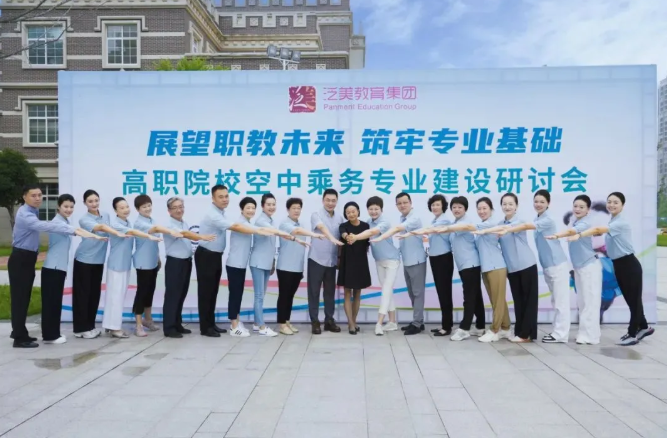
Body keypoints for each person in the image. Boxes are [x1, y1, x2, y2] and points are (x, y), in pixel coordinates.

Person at [9, 185, 99, 348]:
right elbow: (44, 226)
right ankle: (23, 338)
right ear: (24, 197)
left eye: (39, 195)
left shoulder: (34, 212)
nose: (37, 198)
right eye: (33, 195)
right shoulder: (26, 214)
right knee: (21, 299)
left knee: (26, 298)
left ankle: (20, 332)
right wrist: (75, 230)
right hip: (23, 258)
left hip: (29, 258)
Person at [573, 192, 654, 346]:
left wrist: (580, 234)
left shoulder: (620, 223)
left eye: (615, 202)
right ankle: (644, 327)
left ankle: (632, 334)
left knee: (634, 300)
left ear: (622, 205)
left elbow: (598, 229)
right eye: (609, 202)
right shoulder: (613, 220)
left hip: (629, 264)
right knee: (631, 299)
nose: (611, 205)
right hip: (619, 264)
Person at [195, 185, 269, 338]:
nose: (224, 199)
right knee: (206, 292)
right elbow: (235, 226)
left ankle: (210, 324)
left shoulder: (221, 213)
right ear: (213, 198)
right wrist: (259, 230)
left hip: (215, 255)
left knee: (212, 292)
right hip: (206, 255)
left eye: (226, 196)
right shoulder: (213, 215)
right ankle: (205, 328)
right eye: (220, 197)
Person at [410, 196, 486, 341]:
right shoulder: (452, 221)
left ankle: (462, 328)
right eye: (454, 207)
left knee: (468, 296)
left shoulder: (452, 222)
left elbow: (437, 230)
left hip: (466, 262)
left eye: (460, 207)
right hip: (463, 263)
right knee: (475, 295)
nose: (456, 209)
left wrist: (413, 232)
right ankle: (480, 326)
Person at [500, 190, 571, 343]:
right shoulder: (536, 218)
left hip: (551, 263)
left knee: (558, 302)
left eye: (542, 202)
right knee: (551, 301)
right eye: (536, 201)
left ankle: (558, 334)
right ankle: (525, 332)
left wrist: (506, 229)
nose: (538, 204)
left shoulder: (543, 220)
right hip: (541, 265)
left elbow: (525, 226)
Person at [41, 194, 106, 345]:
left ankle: (53, 333)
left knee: (55, 302)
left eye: (71, 207)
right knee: (51, 303)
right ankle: (50, 336)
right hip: (53, 267)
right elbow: (77, 231)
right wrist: (96, 237)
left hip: (59, 267)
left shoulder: (64, 220)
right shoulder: (58, 223)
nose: (69, 209)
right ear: (58, 207)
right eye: (66, 206)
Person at [476, 193, 538, 343]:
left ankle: (526, 334)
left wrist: (499, 229)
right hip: (512, 269)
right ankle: (519, 332)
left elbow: (518, 227)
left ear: (516, 206)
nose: (507, 207)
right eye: (504, 204)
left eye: (510, 204)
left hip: (526, 264)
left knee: (529, 301)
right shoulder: (500, 223)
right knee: (518, 302)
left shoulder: (519, 221)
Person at [102, 197, 162, 339]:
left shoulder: (127, 221)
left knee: (118, 296)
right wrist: (149, 236)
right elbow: (134, 232)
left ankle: (111, 325)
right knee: (115, 297)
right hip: (117, 264)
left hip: (125, 263)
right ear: (115, 210)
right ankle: (116, 327)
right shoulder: (116, 224)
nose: (125, 210)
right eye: (121, 208)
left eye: (126, 207)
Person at [546, 195, 602, 345]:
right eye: (575, 206)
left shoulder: (586, 223)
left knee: (590, 302)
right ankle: (585, 333)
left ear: (588, 210)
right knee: (583, 302)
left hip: (589, 266)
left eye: (581, 207)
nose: (577, 209)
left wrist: (557, 235)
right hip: (580, 267)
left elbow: (572, 232)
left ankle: (590, 336)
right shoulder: (575, 221)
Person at [72, 189, 126, 340]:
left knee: (94, 295)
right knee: (82, 295)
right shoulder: (84, 219)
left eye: (96, 200)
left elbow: (110, 227)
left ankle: (90, 326)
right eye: (90, 201)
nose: (94, 204)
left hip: (98, 261)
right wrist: (116, 232)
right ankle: (80, 328)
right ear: (85, 203)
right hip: (84, 260)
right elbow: (101, 228)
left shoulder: (106, 215)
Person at [372, 192, 427, 336]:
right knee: (412, 293)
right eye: (399, 203)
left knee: (417, 293)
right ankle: (418, 321)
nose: (402, 205)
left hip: (416, 260)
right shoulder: (403, 218)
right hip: (407, 261)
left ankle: (417, 323)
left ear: (410, 203)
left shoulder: (414, 218)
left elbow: (396, 229)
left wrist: (381, 237)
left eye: (405, 202)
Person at [225, 197, 280, 337]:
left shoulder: (248, 223)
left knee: (238, 295)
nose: (251, 210)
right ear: (241, 209)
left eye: (252, 208)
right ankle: (234, 327)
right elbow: (260, 230)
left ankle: (238, 322)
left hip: (241, 264)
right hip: (235, 263)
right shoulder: (242, 224)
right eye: (248, 208)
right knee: (236, 295)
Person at [345, 196, 400, 336]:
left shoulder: (384, 222)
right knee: (387, 290)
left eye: (376, 209)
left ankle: (379, 323)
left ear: (381, 209)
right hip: (379, 260)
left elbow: (372, 232)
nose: (373, 211)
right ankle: (392, 322)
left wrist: (355, 237)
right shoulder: (368, 222)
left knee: (386, 290)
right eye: (371, 209)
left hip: (392, 260)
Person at [401, 195, 454, 337]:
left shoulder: (444, 220)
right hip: (435, 258)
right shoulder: (434, 220)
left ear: (443, 206)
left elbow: (428, 231)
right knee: (441, 292)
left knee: (445, 293)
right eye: (433, 205)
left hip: (443, 258)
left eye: (438, 205)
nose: (435, 207)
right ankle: (443, 324)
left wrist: (412, 233)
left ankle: (446, 326)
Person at [162, 197, 215, 338]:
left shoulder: (183, 222)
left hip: (185, 262)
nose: (179, 210)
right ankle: (169, 328)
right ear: (169, 211)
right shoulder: (169, 224)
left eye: (181, 206)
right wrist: (201, 237)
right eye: (175, 208)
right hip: (175, 263)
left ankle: (177, 324)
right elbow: (184, 234)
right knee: (173, 296)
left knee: (181, 294)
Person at [132, 194, 184, 337]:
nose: (147, 208)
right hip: (143, 263)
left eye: (149, 205)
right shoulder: (139, 223)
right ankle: (138, 325)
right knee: (142, 293)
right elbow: (155, 229)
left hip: (153, 262)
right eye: (144, 207)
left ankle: (148, 320)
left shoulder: (152, 219)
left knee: (150, 291)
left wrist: (158, 259)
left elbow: (153, 242)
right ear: (137, 209)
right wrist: (171, 231)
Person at [275, 198, 318, 335]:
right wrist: (314, 234)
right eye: (293, 208)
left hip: (297, 267)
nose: (296, 210)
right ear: (288, 209)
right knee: (284, 296)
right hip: (285, 267)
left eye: (299, 208)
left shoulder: (301, 224)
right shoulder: (285, 224)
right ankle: (282, 324)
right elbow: (297, 231)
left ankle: (287, 321)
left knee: (290, 296)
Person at [307, 188, 344, 335]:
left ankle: (329, 320)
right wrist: (332, 238)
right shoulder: (316, 214)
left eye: (333, 200)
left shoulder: (340, 218)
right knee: (314, 292)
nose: (330, 203)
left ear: (336, 201)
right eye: (328, 200)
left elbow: (342, 237)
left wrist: (340, 258)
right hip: (316, 259)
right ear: (323, 200)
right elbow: (322, 228)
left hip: (331, 261)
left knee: (330, 292)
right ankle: (315, 322)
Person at [337, 202, 371, 335]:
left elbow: (367, 241)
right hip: (347, 262)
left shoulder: (365, 226)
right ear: (345, 214)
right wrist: (348, 237)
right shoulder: (343, 226)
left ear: (358, 211)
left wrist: (355, 238)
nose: (351, 214)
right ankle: (350, 323)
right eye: (348, 212)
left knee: (357, 293)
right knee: (347, 292)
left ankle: (354, 321)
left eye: (353, 211)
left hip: (361, 262)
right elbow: (343, 234)